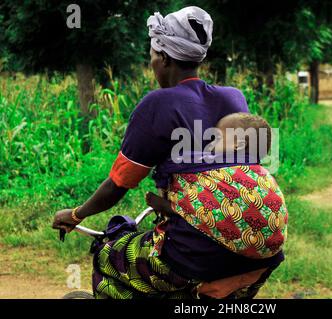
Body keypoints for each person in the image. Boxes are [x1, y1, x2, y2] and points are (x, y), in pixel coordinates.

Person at [52, 6, 285, 299]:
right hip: (258, 251)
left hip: (191, 252)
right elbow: (230, 174)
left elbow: (118, 183)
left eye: (152, 55)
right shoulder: (233, 97)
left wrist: (75, 214)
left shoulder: (158, 104)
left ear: (163, 57)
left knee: (109, 256)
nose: (151, 62)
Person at [146, 112, 288, 260]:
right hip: (271, 251)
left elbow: (172, 168)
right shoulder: (263, 175)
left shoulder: (206, 167)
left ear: (238, 145)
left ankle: (174, 209)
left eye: (217, 138)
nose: (211, 145)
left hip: (215, 255)